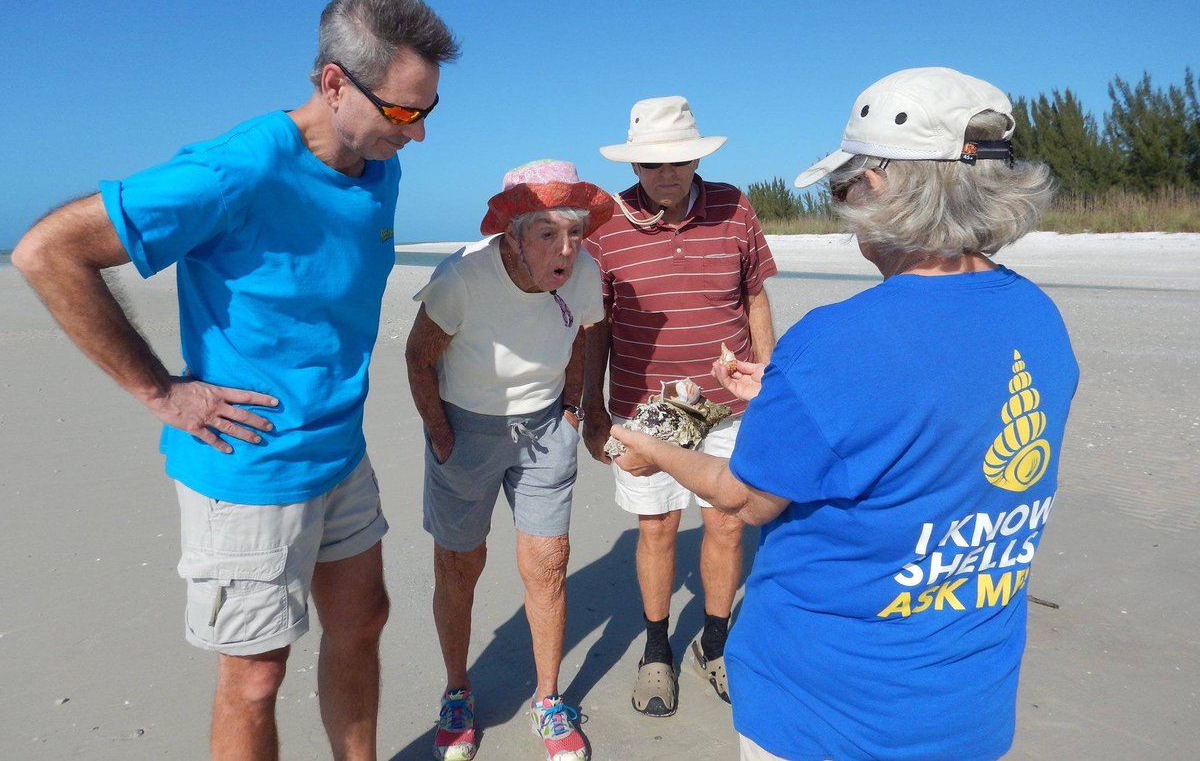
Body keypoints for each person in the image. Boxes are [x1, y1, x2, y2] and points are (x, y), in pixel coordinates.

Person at [12, 0, 458, 761]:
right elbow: (49, 251)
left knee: (364, 622)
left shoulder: (380, 165)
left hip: (339, 453)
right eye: (403, 111)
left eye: (427, 112)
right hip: (247, 464)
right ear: (333, 82)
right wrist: (161, 391)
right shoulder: (236, 171)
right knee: (256, 675)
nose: (417, 134)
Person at [610, 67, 1080, 760]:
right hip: (969, 707)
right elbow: (927, 424)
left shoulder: (839, 340)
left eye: (840, 189)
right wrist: (792, 392)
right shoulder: (1039, 315)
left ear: (879, 188)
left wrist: (648, 448)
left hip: (826, 712)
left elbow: (746, 499)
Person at [406, 160, 613, 761]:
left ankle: (548, 701)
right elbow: (419, 358)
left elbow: (587, 332)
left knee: (547, 567)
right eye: (548, 232)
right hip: (465, 431)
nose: (566, 248)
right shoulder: (462, 278)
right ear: (512, 235)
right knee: (460, 564)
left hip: (547, 428)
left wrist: (574, 407)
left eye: (575, 232)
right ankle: (457, 690)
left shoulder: (585, 271)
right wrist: (443, 436)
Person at [581, 95, 777, 717]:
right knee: (657, 528)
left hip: (729, 403)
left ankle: (713, 644)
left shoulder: (734, 206)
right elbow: (597, 327)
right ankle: (657, 650)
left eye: (680, 161)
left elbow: (756, 301)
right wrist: (590, 404)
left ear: (697, 157)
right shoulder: (604, 224)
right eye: (652, 165)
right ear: (634, 165)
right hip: (645, 409)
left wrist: (770, 381)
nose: (667, 174)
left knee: (726, 521)